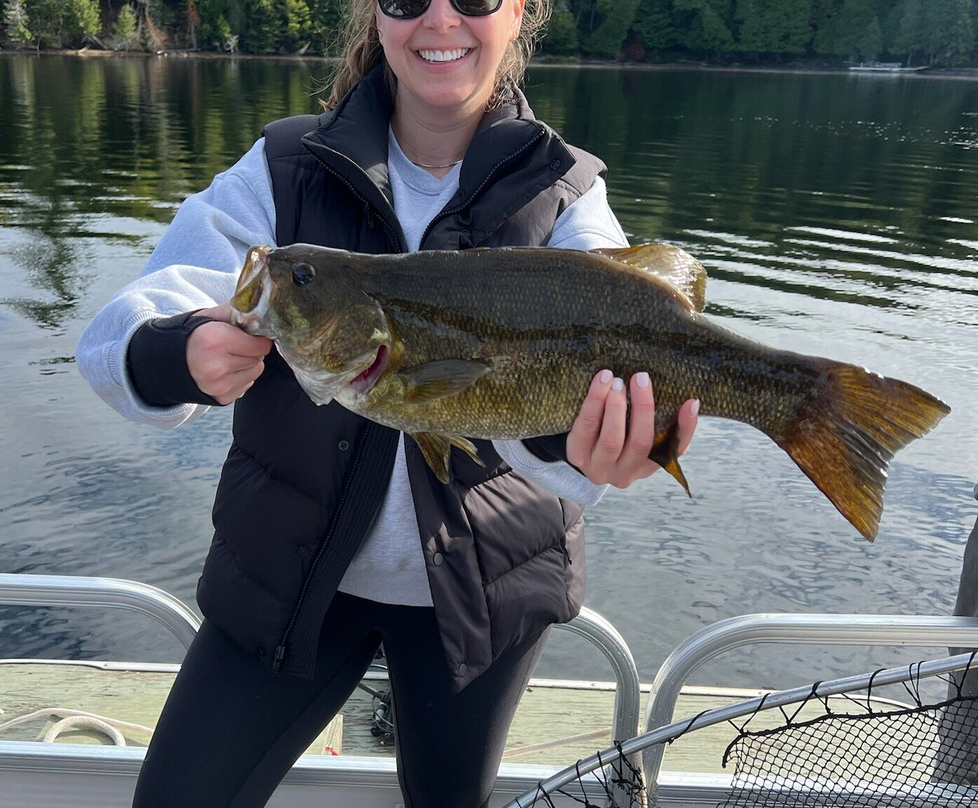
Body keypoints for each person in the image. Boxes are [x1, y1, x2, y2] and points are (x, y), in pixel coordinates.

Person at [76, 0, 699, 802]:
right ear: (376, 15)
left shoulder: (568, 196)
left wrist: (598, 449)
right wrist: (178, 353)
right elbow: (114, 335)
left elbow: (578, 400)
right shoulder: (284, 167)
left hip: (482, 600)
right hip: (286, 578)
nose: (441, 19)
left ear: (521, 13)